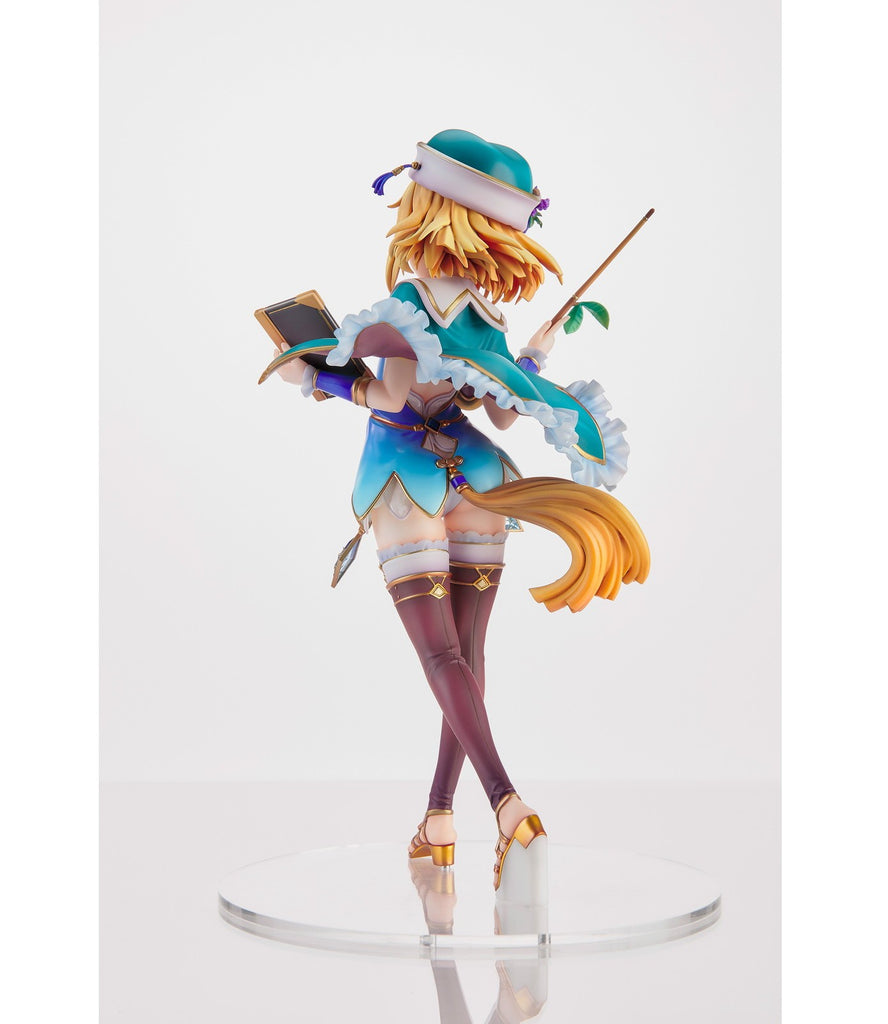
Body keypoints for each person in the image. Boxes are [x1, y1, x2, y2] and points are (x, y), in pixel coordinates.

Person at [263, 130, 650, 899]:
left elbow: (390, 396)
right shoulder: (485, 321)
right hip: (475, 472)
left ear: (425, 209)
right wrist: (530, 358)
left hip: (406, 477)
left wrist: (315, 378)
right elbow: (500, 413)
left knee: (443, 660)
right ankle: (439, 818)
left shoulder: (408, 306)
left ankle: (508, 806)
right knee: (465, 660)